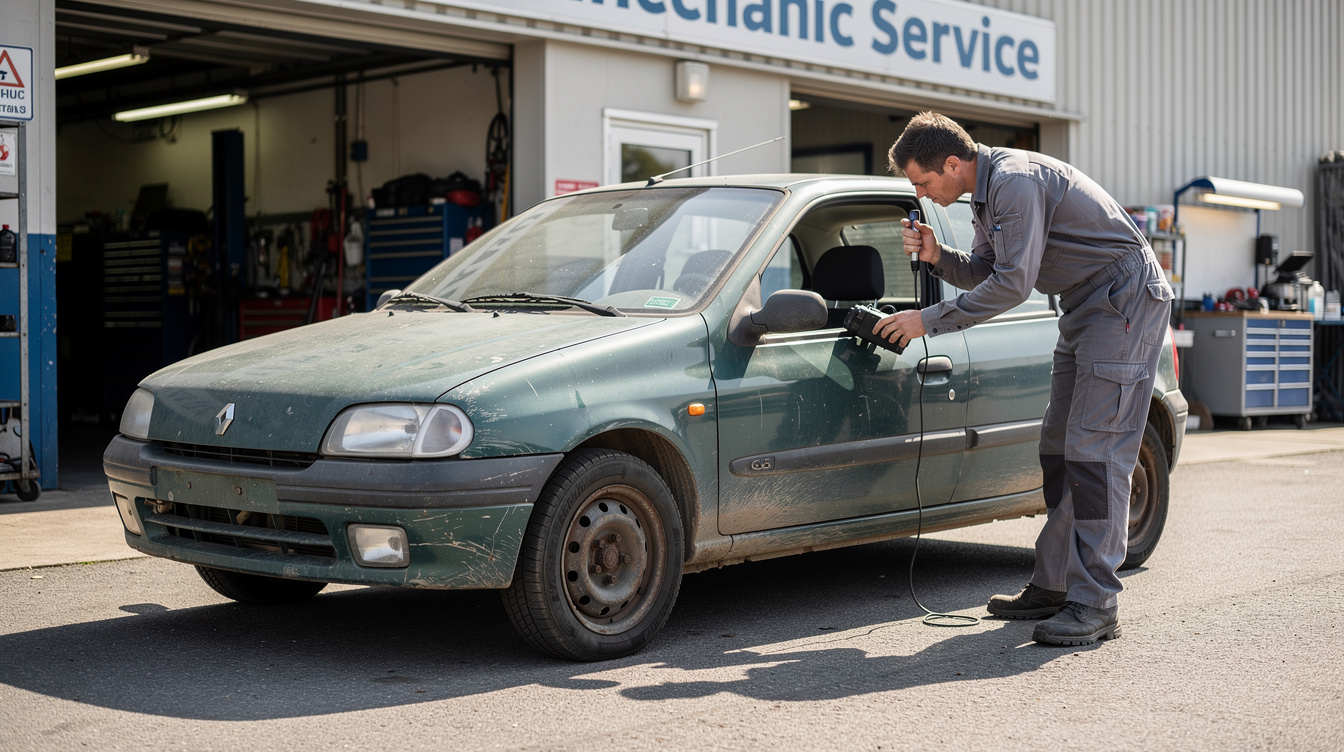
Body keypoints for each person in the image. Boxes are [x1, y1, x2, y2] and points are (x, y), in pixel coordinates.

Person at [875, 112, 1174, 646]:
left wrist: (926, 322)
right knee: (1059, 445)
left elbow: (1012, 287)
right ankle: (1055, 585)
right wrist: (937, 255)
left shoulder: (1014, 181)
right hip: (1085, 305)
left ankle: (1095, 603)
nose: (920, 194)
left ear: (951, 163)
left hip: (1122, 302)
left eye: (922, 182)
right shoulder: (986, 196)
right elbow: (989, 273)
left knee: (1095, 450)